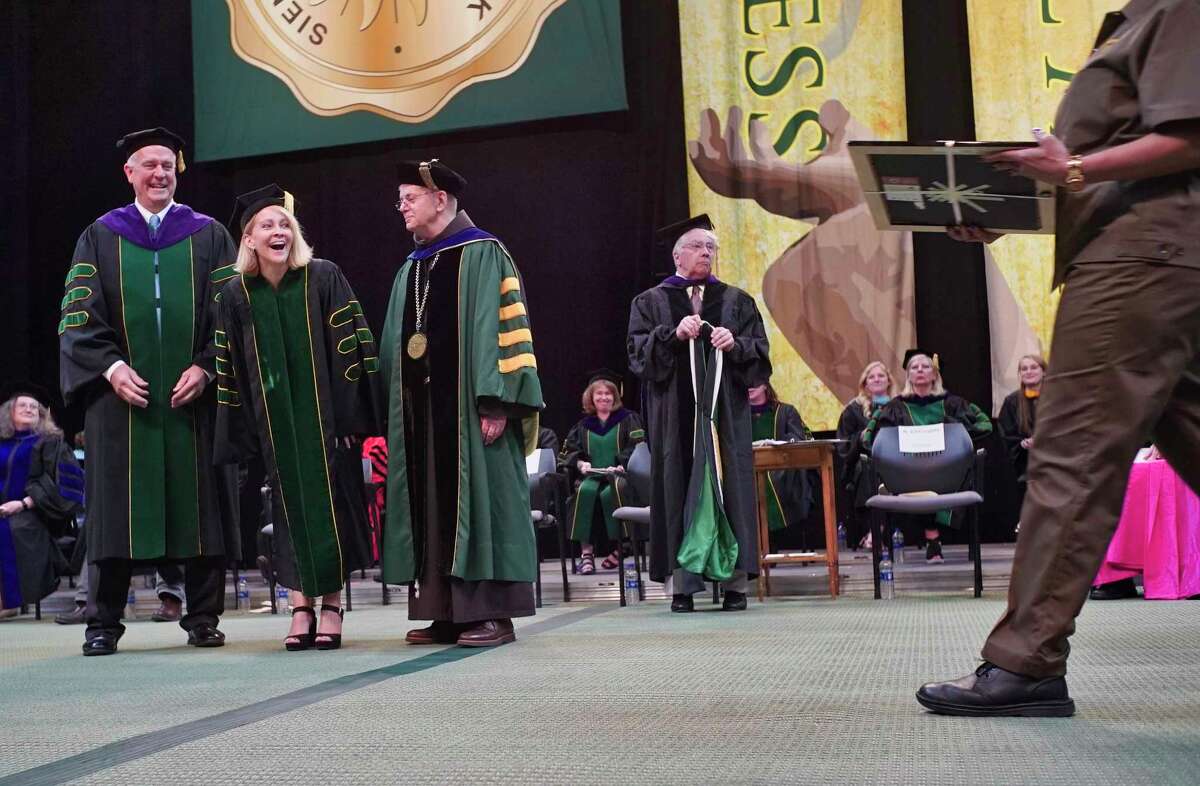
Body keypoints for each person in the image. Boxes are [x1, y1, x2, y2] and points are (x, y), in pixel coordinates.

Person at [920, 0, 1200, 717]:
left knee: (1072, 452)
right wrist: (1007, 204)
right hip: (1153, 255)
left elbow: (1188, 137)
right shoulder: (1138, 15)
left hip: (1142, 258)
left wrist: (1070, 168)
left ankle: (1027, 662)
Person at [58, 127, 240, 656]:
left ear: (177, 171)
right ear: (130, 174)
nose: (159, 173)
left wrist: (207, 367)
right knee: (115, 510)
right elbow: (77, 315)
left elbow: (231, 312)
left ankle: (203, 617)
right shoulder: (99, 235)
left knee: (202, 505)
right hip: (121, 403)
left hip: (192, 400)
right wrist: (111, 368)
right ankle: (103, 623)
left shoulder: (208, 235)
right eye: (149, 165)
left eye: (167, 164)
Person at [380, 159, 544, 647]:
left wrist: (497, 402)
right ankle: (444, 610)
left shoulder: (483, 253)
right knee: (431, 503)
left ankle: (493, 613)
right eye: (401, 199)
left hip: (474, 411)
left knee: (484, 503)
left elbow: (504, 330)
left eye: (410, 197)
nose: (402, 206)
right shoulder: (414, 266)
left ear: (441, 199)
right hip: (424, 417)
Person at [214, 185, 380, 651]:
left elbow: (352, 350)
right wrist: (244, 435)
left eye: (284, 223)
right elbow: (231, 373)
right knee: (287, 516)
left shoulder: (322, 277)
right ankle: (299, 607)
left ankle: (330, 607)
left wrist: (350, 421)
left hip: (325, 426)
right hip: (275, 431)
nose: (278, 231)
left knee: (328, 515)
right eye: (266, 225)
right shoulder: (235, 295)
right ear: (248, 239)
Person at [627, 214, 771, 612]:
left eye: (711, 247)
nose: (706, 252)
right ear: (677, 254)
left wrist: (736, 344)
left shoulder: (736, 301)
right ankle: (682, 586)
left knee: (731, 489)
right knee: (677, 488)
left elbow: (760, 359)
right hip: (675, 419)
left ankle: (736, 583)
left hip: (725, 416)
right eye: (697, 246)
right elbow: (638, 357)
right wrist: (671, 335)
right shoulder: (651, 302)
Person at [862, 350, 992, 563]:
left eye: (925, 366)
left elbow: (985, 424)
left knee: (951, 476)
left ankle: (933, 539)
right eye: (914, 367)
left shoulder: (953, 403)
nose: (920, 370)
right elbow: (869, 438)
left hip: (948, 473)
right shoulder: (894, 407)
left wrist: (955, 432)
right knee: (915, 479)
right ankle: (933, 540)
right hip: (907, 474)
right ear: (908, 375)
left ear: (935, 375)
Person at [0, 385, 83, 618]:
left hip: (38, 513)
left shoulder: (50, 443)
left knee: (14, 529)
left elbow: (68, 487)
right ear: (9, 412)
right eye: (23, 405)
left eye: (34, 407)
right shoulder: (2, 442)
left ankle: (8, 602)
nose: (29, 409)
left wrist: (24, 503)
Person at [559, 371, 646, 574]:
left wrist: (622, 464)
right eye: (599, 394)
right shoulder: (582, 426)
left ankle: (623, 547)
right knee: (583, 492)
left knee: (613, 492)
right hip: (592, 477)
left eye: (608, 394)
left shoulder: (628, 419)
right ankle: (586, 554)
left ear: (615, 396)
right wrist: (580, 464)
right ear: (591, 397)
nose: (604, 397)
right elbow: (566, 453)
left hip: (619, 476)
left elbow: (638, 446)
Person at [836, 361, 898, 549]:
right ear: (865, 384)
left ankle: (876, 533)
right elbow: (844, 445)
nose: (877, 379)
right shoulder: (853, 409)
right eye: (872, 377)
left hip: (896, 462)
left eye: (881, 376)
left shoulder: (899, 406)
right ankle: (875, 531)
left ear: (889, 381)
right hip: (862, 463)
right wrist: (861, 437)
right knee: (869, 470)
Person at [749, 381, 814, 536]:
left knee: (771, 480)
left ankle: (771, 538)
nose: (750, 386)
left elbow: (797, 439)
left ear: (765, 384)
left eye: (754, 382)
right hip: (748, 469)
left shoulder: (786, 411)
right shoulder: (737, 416)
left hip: (782, 469)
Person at [997, 354, 1046, 486]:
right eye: (1024, 369)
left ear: (1044, 371)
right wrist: (1022, 444)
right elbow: (1006, 436)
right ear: (1020, 374)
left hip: (1057, 464)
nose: (1029, 372)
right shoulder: (1012, 402)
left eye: (1034, 367)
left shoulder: (1055, 398)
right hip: (1027, 468)